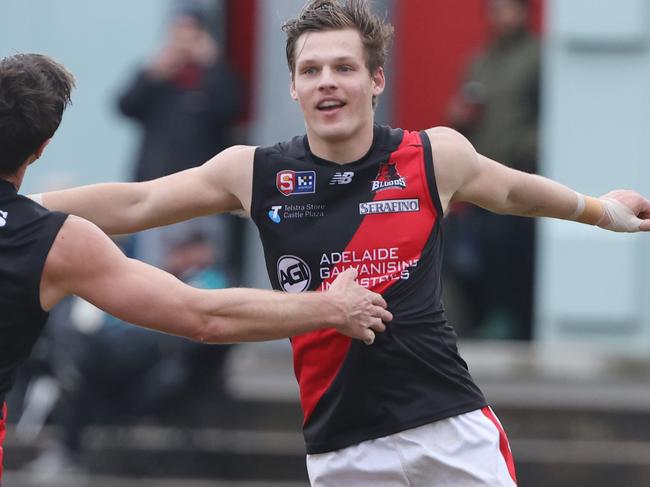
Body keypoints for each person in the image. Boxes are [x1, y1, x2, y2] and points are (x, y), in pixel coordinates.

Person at [37, 1, 650, 485]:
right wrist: (20, 208)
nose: (327, 82)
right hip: (342, 447)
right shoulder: (251, 172)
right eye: (311, 70)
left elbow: (515, 193)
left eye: (344, 67)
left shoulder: (432, 155)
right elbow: (137, 202)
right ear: (295, 86)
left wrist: (602, 212)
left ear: (376, 78)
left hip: (451, 429)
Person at [0, 51, 391, 484]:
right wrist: (334, 307)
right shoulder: (54, 242)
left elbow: (138, 204)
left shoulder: (44, 232)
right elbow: (203, 316)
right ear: (40, 149)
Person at [117, 5, 244, 273]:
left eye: (191, 35)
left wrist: (212, 64)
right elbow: (124, 106)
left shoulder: (214, 77)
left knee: (207, 277)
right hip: (155, 195)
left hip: (205, 198)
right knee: (150, 276)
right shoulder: (158, 78)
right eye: (178, 35)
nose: (184, 43)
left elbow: (231, 108)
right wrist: (154, 71)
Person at [446, 0, 540, 339]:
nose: (501, 16)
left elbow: (555, 111)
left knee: (511, 250)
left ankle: (514, 322)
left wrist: (528, 145)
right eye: (495, 9)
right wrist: (459, 117)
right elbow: (467, 114)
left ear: (524, 12)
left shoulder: (538, 57)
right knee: (475, 250)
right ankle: (486, 316)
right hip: (480, 176)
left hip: (522, 172)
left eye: (508, 8)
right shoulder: (479, 63)